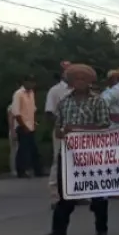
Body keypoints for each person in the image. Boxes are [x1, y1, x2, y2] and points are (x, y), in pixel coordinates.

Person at [42, 64, 111, 235]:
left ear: (89, 82)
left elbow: (104, 125)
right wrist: (63, 132)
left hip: (91, 153)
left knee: (97, 194)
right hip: (69, 154)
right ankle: (58, 230)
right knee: (65, 194)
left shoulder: (98, 101)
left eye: (83, 79)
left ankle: (101, 230)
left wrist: (79, 129)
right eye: (75, 79)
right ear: (71, 82)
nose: (79, 82)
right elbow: (58, 129)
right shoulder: (64, 102)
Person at [45, 62, 72, 205]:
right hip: (61, 131)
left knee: (76, 161)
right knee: (58, 160)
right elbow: (49, 112)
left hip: (77, 132)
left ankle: (74, 193)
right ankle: (55, 196)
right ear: (62, 73)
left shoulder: (79, 90)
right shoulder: (55, 91)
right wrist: (60, 124)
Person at [12, 74, 44, 178]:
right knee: (23, 150)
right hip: (22, 125)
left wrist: (34, 122)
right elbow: (16, 112)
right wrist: (23, 126)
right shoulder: (19, 94)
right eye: (30, 82)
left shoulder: (31, 93)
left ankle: (38, 170)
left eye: (33, 82)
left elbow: (33, 109)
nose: (32, 84)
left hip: (31, 125)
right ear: (25, 82)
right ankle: (21, 171)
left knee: (34, 149)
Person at [7, 105, 17, 177]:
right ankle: (13, 170)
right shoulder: (12, 107)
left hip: (22, 131)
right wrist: (13, 131)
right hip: (15, 131)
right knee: (14, 151)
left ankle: (21, 168)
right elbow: (11, 119)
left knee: (21, 151)